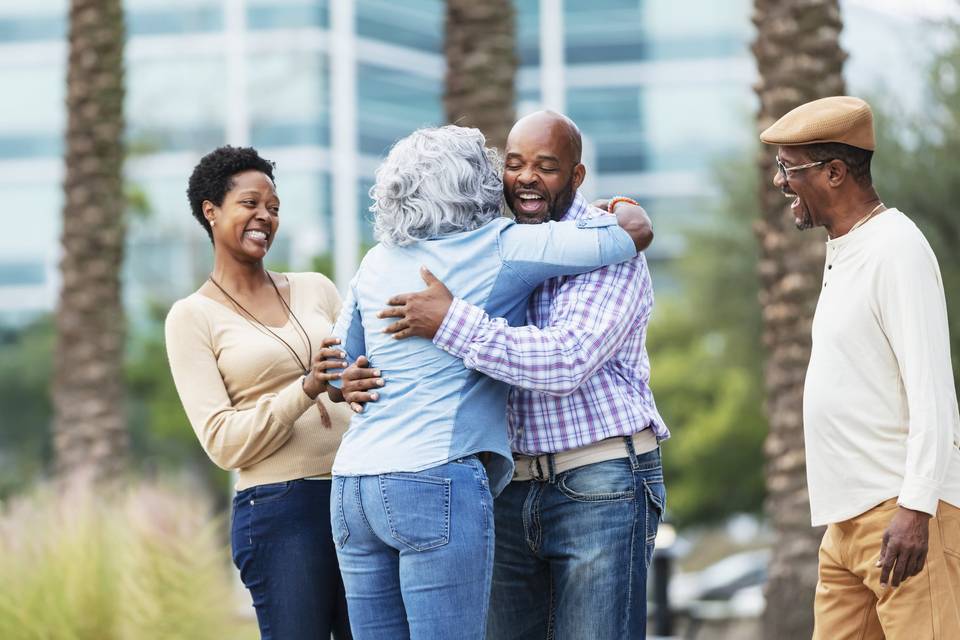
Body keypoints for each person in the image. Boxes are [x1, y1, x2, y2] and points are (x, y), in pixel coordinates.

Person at [341, 110, 668, 639]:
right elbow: (348, 352)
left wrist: (451, 321)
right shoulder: (485, 245)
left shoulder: (606, 249)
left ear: (577, 177)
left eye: (547, 167)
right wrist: (348, 377)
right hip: (504, 487)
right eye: (514, 165)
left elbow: (565, 361)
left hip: (599, 480)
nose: (526, 179)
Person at [759, 96, 960, 639]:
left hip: (902, 514)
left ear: (834, 172)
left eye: (788, 168)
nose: (779, 182)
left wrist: (916, 510)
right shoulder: (847, 248)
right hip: (845, 526)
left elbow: (933, 392)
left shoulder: (896, 248)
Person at [164, 146, 353, 640]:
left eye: (273, 207)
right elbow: (223, 442)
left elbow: (348, 383)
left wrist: (347, 384)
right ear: (211, 211)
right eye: (250, 203)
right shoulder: (192, 317)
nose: (264, 217)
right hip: (280, 510)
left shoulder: (316, 288)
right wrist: (306, 387)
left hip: (357, 493)